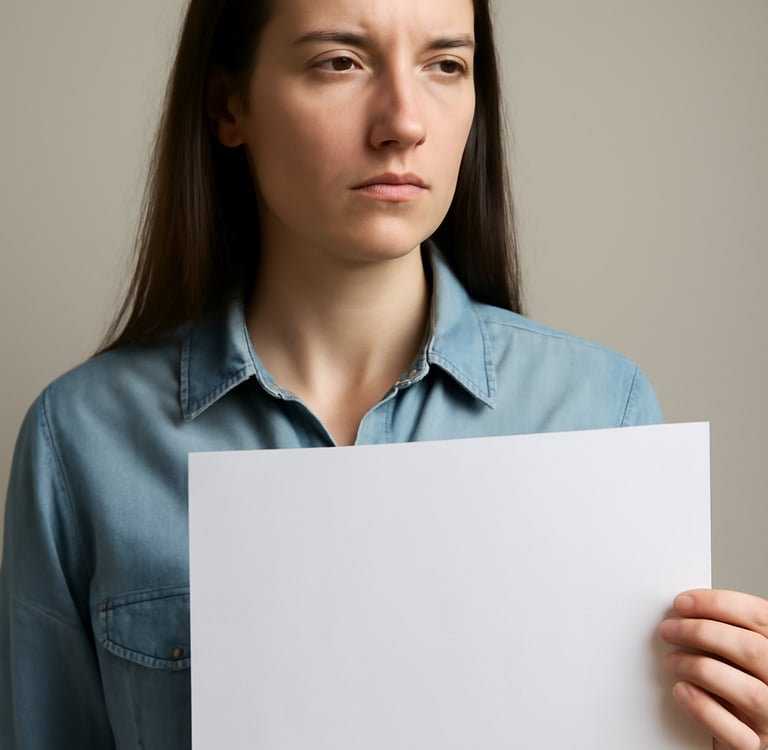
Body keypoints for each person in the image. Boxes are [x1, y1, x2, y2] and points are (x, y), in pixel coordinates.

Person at [1, 0, 766, 747]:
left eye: (446, 63)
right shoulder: (80, 439)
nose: (404, 122)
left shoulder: (602, 409)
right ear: (228, 106)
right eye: (340, 61)